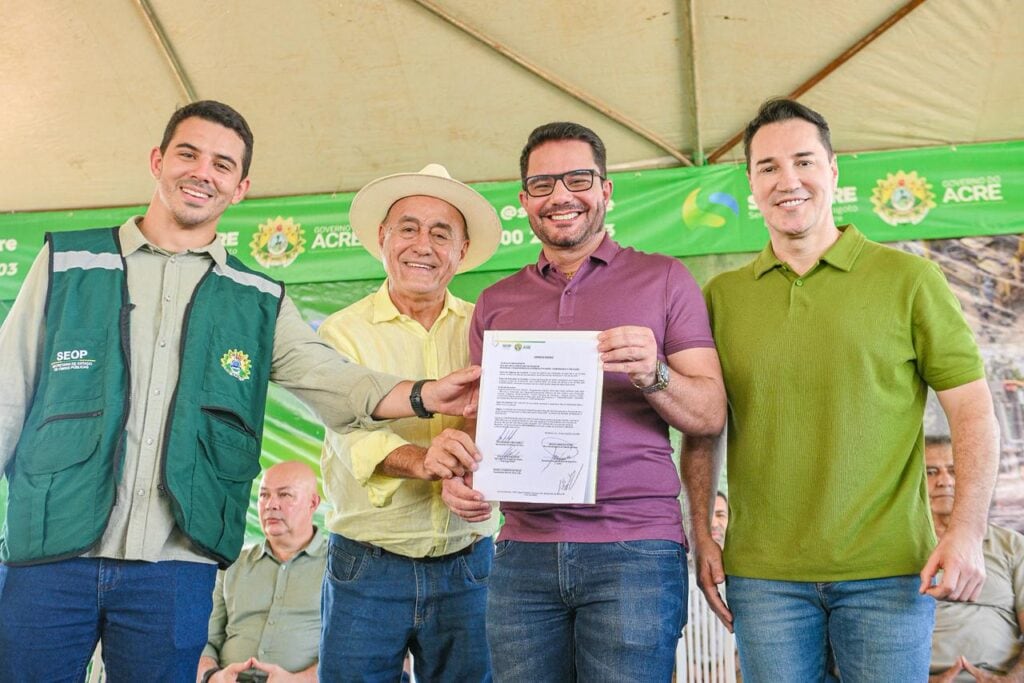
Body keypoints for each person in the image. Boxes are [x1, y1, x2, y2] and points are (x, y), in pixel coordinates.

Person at [0, 100, 480, 682]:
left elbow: (332, 380)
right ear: (157, 161)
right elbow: (8, 391)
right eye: (188, 154)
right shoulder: (68, 261)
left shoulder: (257, 298)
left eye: (222, 164)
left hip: (175, 565)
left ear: (241, 186)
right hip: (52, 549)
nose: (203, 172)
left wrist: (427, 393)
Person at [682, 98, 1001, 681]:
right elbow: (704, 428)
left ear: (833, 170)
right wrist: (701, 533)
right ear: (750, 184)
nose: (788, 181)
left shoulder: (908, 280)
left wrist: (967, 533)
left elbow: (974, 414)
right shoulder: (721, 298)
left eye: (803, 161)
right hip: (763, 579)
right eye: (768, 167)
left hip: (889, 575)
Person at [441, 121, 726, 681]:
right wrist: (462, 477)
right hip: (522, 554)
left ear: (605, 190)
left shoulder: (665, 279)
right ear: (523, 200)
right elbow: (481, 430)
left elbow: (710, 413)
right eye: (543, 185)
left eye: (577, 179)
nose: (561, 196)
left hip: (636, 548)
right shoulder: (497, 302)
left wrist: (654, 374)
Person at [316, 163, 502, 681]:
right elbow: (349, 428)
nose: (423, 244)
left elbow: (500, 411)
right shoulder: (339, 333)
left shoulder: (487, 326)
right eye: (408, 228)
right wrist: (426, 462)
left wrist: (466, 465)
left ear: (461, 252)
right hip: (367, 565)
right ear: (382, 238)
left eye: (442, 233)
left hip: (470, 560)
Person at [197, 461, 325, 683]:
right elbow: (204, 639)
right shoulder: (233, 563)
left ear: (313, 503)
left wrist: (299, 680)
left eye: (285, 495)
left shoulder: (341, 570)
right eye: (264, 495)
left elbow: (352, 651)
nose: (271, 505)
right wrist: (212, 677)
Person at [926, 435, 1024, 682]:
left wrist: (1012, 680)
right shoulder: (891, 548)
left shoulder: (1011, 546)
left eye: (954, 471)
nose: (944, 481)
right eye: (930, 472)